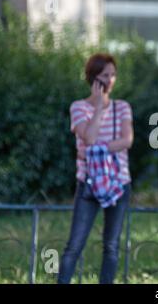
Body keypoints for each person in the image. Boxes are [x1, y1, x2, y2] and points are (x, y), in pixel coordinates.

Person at [58, 53, 134, 284]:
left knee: (111, 246)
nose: (110, 80)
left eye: (112, 75)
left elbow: (127, 140)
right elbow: (88, 138)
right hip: (88, 183)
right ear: (92, 79)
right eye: (104, 76)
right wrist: (99, 108)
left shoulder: (122, 107)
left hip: (119, 183)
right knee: (74, 245)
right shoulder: (79, 107)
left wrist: (91, 152)